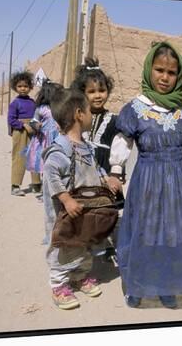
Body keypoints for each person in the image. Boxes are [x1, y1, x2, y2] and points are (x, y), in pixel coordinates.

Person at [107, 41, 182, 309]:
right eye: (159, 70)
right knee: (146, 233)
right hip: (147, 182)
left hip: (178, 184)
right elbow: (122, 141)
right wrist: (116, 171)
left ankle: (169, 286)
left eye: (171, 73)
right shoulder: (136, 108)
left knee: (172, 235)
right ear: (149, 69)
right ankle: (140, 284)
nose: (164, 77)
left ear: (178, 75)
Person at [42, 88, 112, 310]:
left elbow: (96, 168)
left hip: (86, 212)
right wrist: (65, 198)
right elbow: (50, 175)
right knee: (64, 249)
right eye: (90, 111)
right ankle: (59, 286)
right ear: (79, 114)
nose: (92, 115)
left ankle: (80, 277)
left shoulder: (86, 147)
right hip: (67, 214)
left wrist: (106, 178)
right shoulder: (60, 149)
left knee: (84, 246)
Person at [71, 57, 123, 259]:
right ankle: (88, 246)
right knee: (85, 211)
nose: (98, 96)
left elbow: (120, 150)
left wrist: (117, 174)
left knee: (108, 212)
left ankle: (110, 245)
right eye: (91, 92)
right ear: (82, 93)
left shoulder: (115, 121)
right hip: (83, 174)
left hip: (106, 172)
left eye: (101, 90)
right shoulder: (77, 117)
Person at [23, 79, 63, 244]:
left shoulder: (60, 107)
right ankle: (46, 190)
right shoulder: (41, 109)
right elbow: (33, 120)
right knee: (44, 165)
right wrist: (36, 125)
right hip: (43, 140)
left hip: (57, 139)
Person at [7, 71, 41, 196]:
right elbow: (11, 120)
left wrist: (37, 124)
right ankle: (15, 186)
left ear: (30, 87)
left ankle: (37, 184)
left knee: (36, 156)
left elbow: (37, 116)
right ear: (15, 87)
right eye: (20, 86)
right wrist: (23, 125)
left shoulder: (33, 103)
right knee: (19, 158)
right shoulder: (15, 103)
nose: (23, 89)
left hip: (33, 131)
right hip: (20, 132)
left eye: (26, 86)